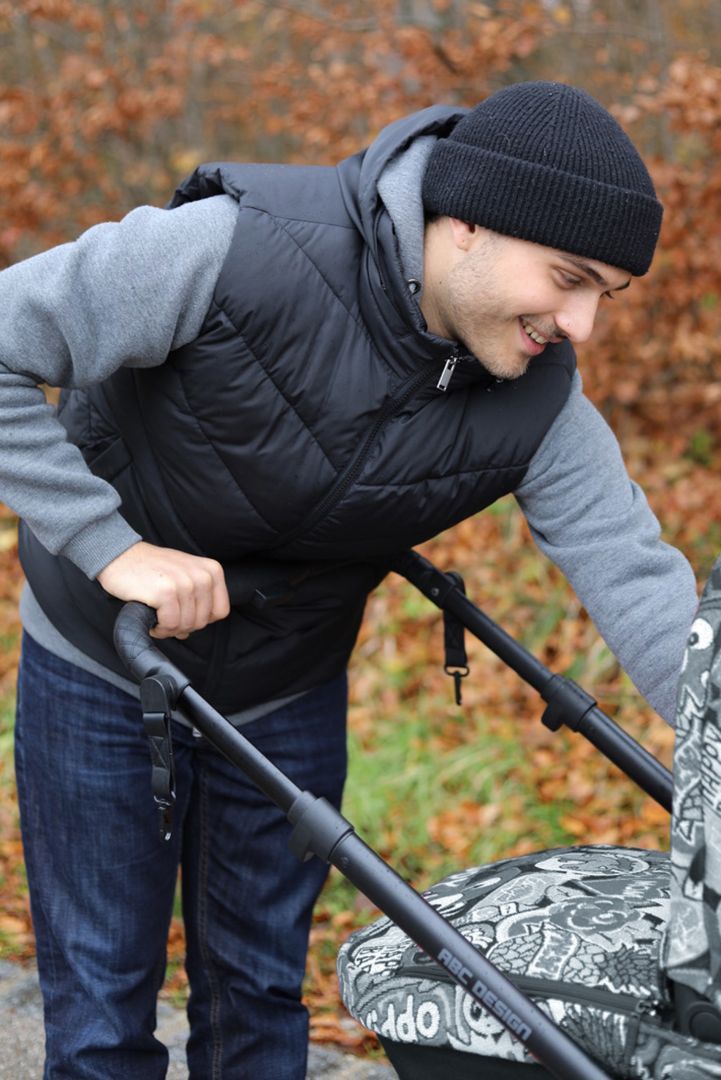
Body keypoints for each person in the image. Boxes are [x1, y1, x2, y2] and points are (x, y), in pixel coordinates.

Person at [0, 80, 699, 1079]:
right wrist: (112, 548)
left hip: (285, 680)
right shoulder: (227, 252)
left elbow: (639, 579)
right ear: (464, 227)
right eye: (568, 277)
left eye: (605, 295)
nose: (582, 325)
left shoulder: (536, 400)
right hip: (103, 663)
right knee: (103, 1010)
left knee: (258, 1002)